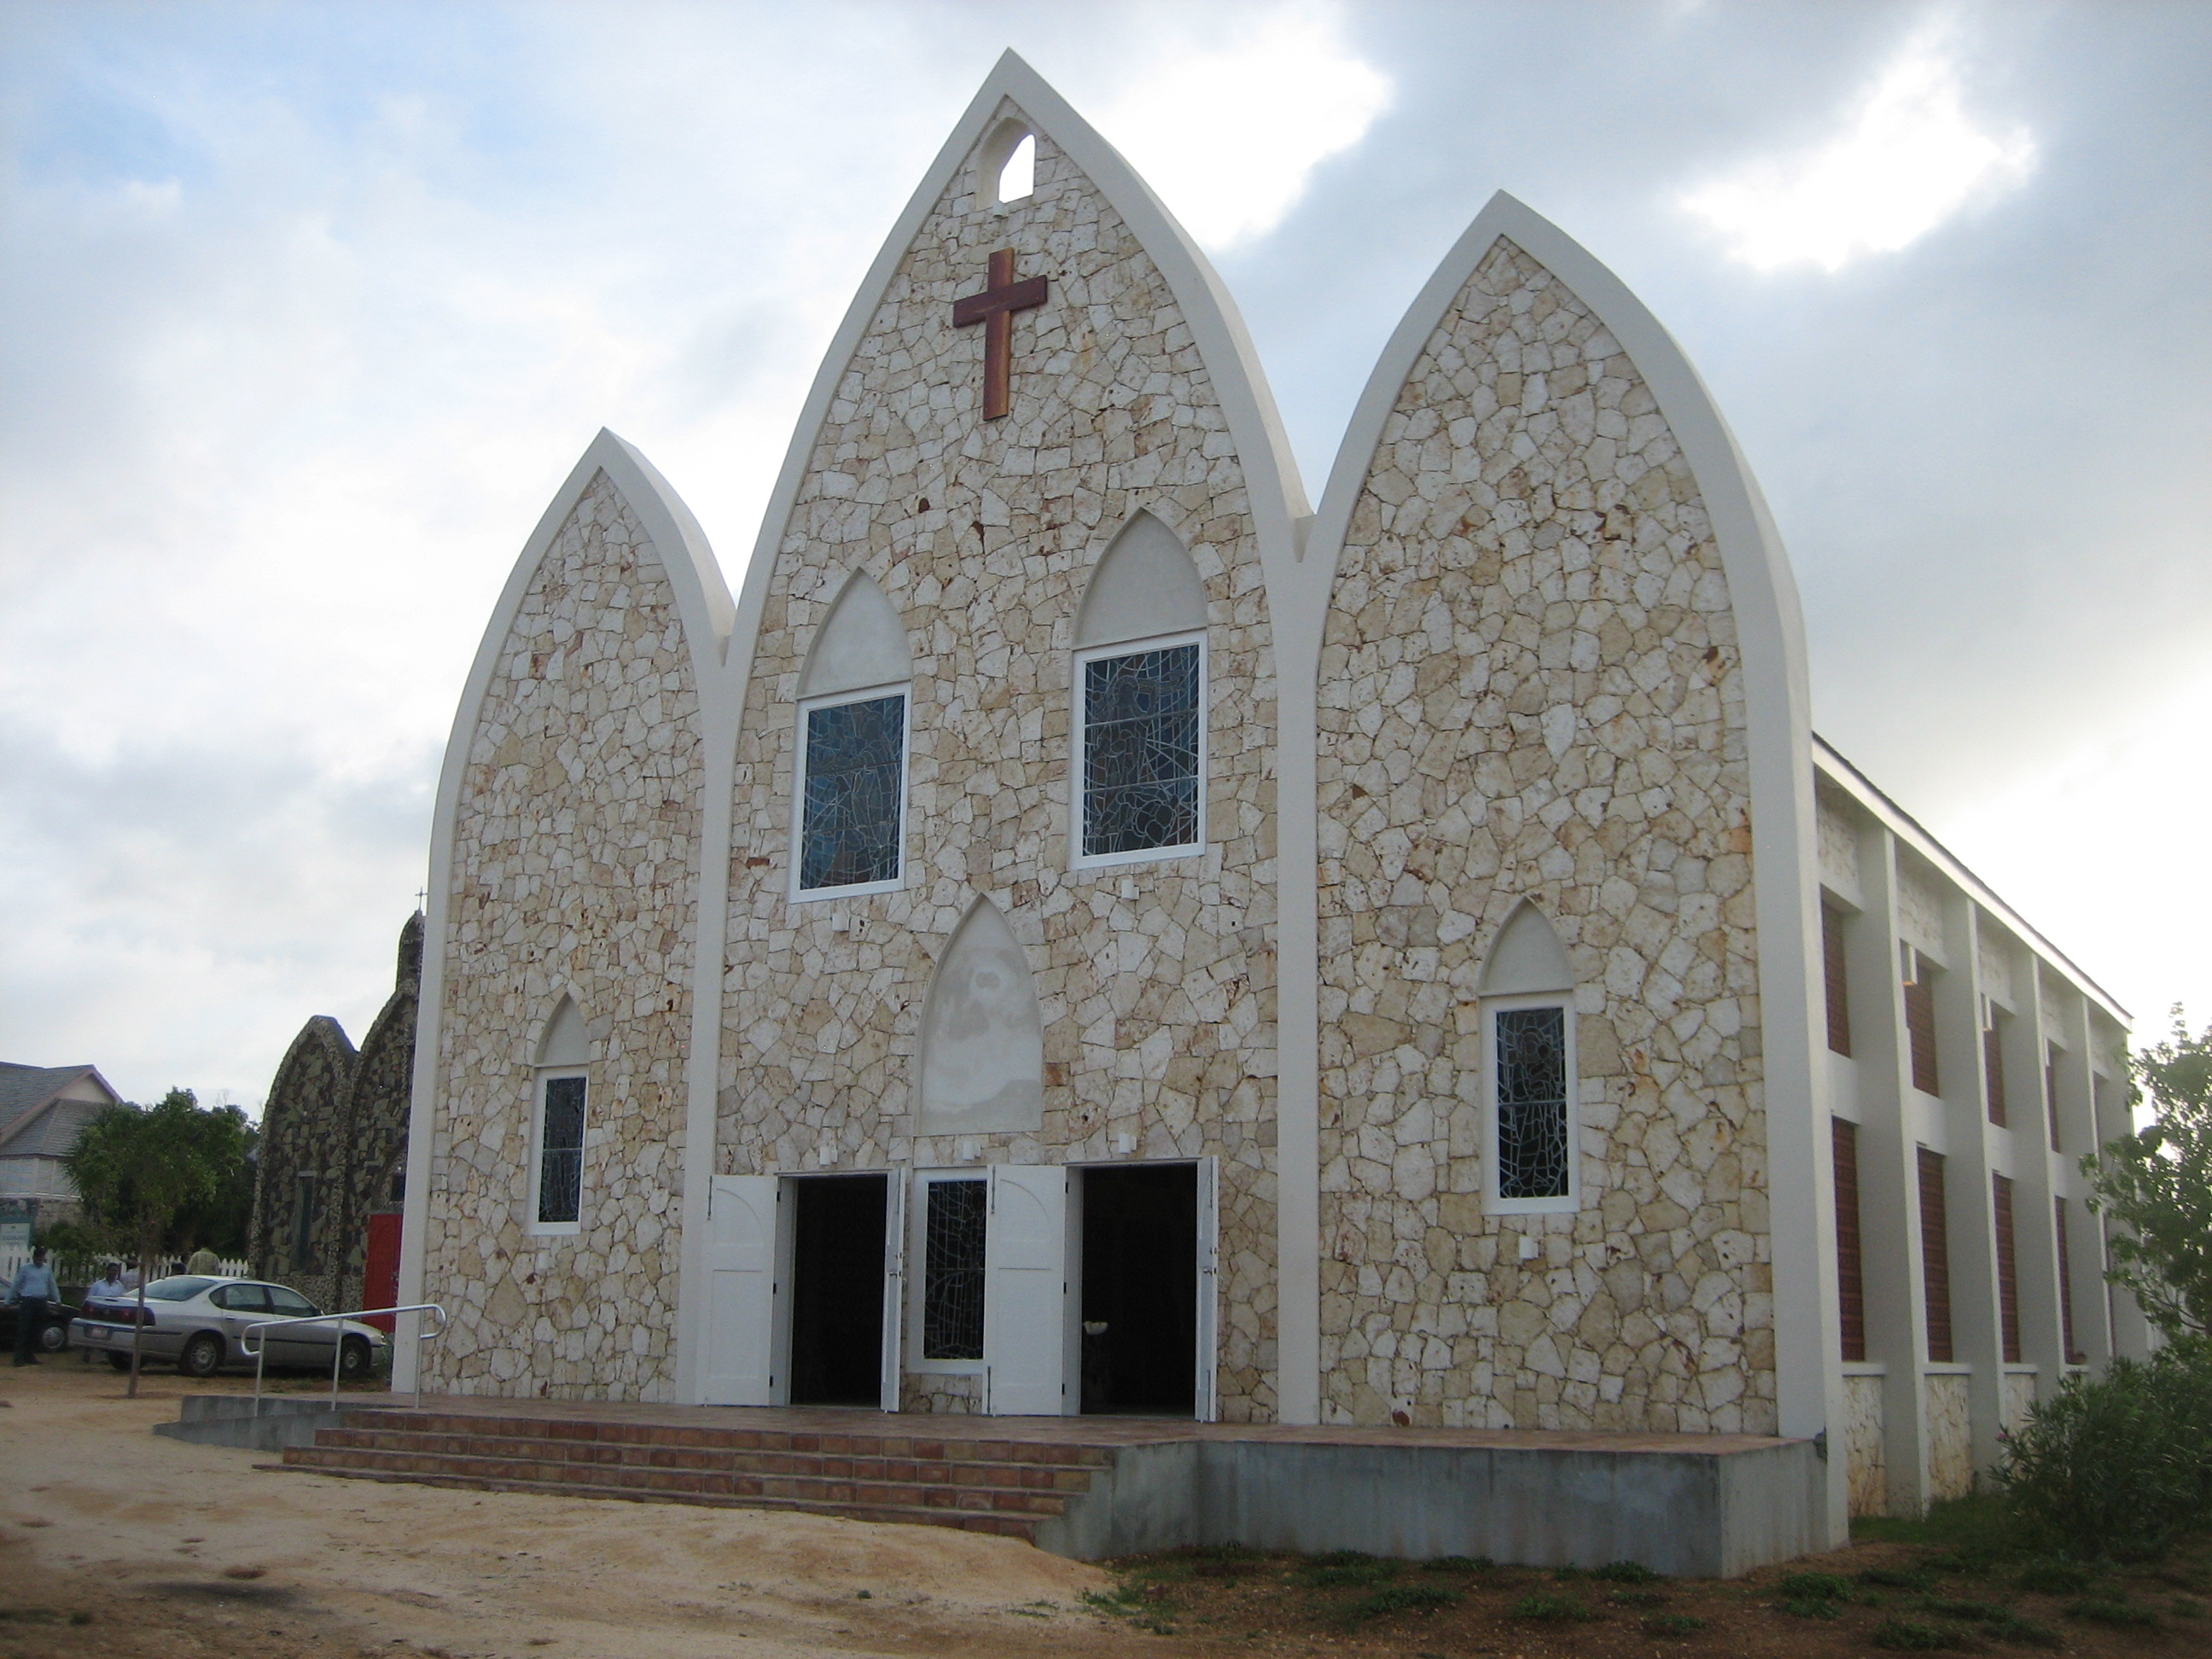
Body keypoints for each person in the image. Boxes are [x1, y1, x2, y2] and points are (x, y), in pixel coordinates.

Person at [9, 1247, 59, 1366]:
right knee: (23, 1330)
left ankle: (29, 1355)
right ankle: (19, 1357)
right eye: (37, 1257)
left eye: (41, 1257)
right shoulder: (25, 1269)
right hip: (28, 1301)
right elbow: (15, 1284)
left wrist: (57, 1299)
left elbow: (52, 1284)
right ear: (33, 1257)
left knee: (36, 1330)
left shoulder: (47, 1269)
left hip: (41, 1301)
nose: (39, 1259)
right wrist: (7, 1301)